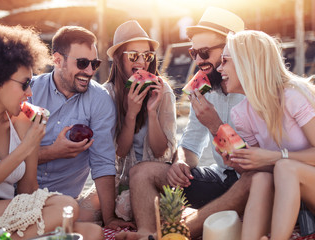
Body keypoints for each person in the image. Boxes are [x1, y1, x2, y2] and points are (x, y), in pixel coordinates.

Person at [115, 7, 254, 240]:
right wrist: (180, 162)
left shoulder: (257, 92)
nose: (199, 61)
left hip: (250, 182)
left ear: (234, 50)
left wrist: (215, 126)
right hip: (220, 177)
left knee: (250, 182)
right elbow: (190, 143)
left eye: (205, 52)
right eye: (194, 53)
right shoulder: (203, 88)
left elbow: (250, 166)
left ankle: (169, 235)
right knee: (141, 172)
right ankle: (147, 232)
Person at [0, 21, 103, 240]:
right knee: (65, 207)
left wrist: (32, 143)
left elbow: (27, 192)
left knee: (93, 232)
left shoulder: (23, 122)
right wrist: (25, 148)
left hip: (10, 211)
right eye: (25, 84)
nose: (30, 92)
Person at [29, 25, 133, 230]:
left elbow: (102, 162)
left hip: (64, 202)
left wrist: (109, 218)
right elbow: (7, 156)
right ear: (57, 60)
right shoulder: (29, 91)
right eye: (83, 63)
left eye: (94, 64)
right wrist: (52, 152)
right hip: (16, 194)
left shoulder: (100, 100)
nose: (90, 71)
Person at [217, 30, 315, 240]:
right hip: (292, 195)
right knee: (261, 178)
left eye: (225, 60)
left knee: (285, 167)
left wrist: (278, 157)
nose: (219, 68)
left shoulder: (293, 95)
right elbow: (264, 167)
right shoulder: (241, 114)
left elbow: (278, 163)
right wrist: (240, 162)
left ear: (247, 62)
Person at [103, 20, 177, 221]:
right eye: (134, 55)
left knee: (129, 210)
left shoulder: (163, 91)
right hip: (120, 181)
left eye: (147, 55)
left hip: (153, 179)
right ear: (119, 59)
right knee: (84, 212)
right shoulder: (107, 94)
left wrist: (152, 111)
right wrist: (131, 114)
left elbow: (162, 151)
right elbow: (119, 151)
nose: (142, 62)